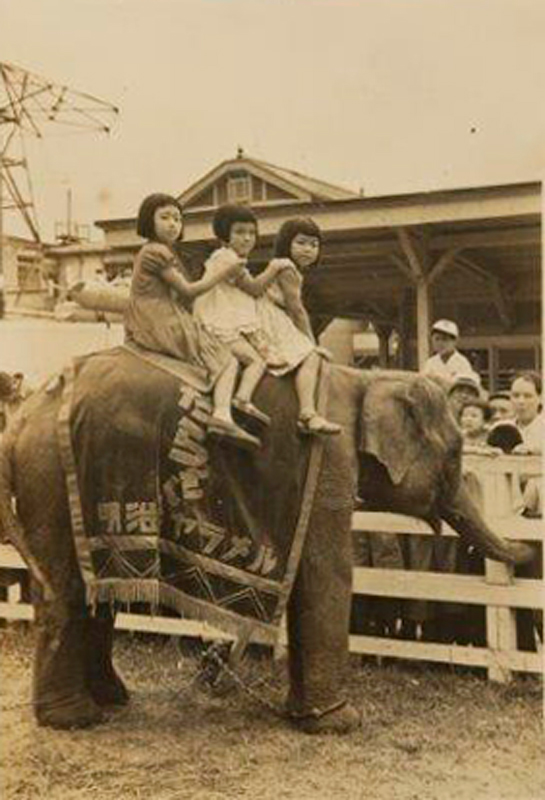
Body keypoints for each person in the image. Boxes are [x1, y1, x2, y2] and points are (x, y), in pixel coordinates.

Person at [124, 193, 260, 450]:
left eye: (177, 218)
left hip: (158, 312)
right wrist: (223, 273)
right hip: (159, 317)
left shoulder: (160, 251)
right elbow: (188, 291)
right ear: (147, 221)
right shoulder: (156, 252)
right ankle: (221, 414)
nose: (173, 224)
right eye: (164, 217)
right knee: (226, 359)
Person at [196, 207, 340, 435]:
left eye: (314, 245)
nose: (308, 250)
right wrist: (311, 342)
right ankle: (308, 413)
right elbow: (295, 309)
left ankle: (245, 399)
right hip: (258, 318)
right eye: (301, 243)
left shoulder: (236, 259)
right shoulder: (282, 268)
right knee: (311, 356)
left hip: (246, 316)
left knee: (268, 359)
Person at [423, 319, 478, 387]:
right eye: (437, 339)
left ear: (455, 341)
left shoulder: (462, 363)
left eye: (444, 339)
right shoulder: (430, 364)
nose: (440, 343)